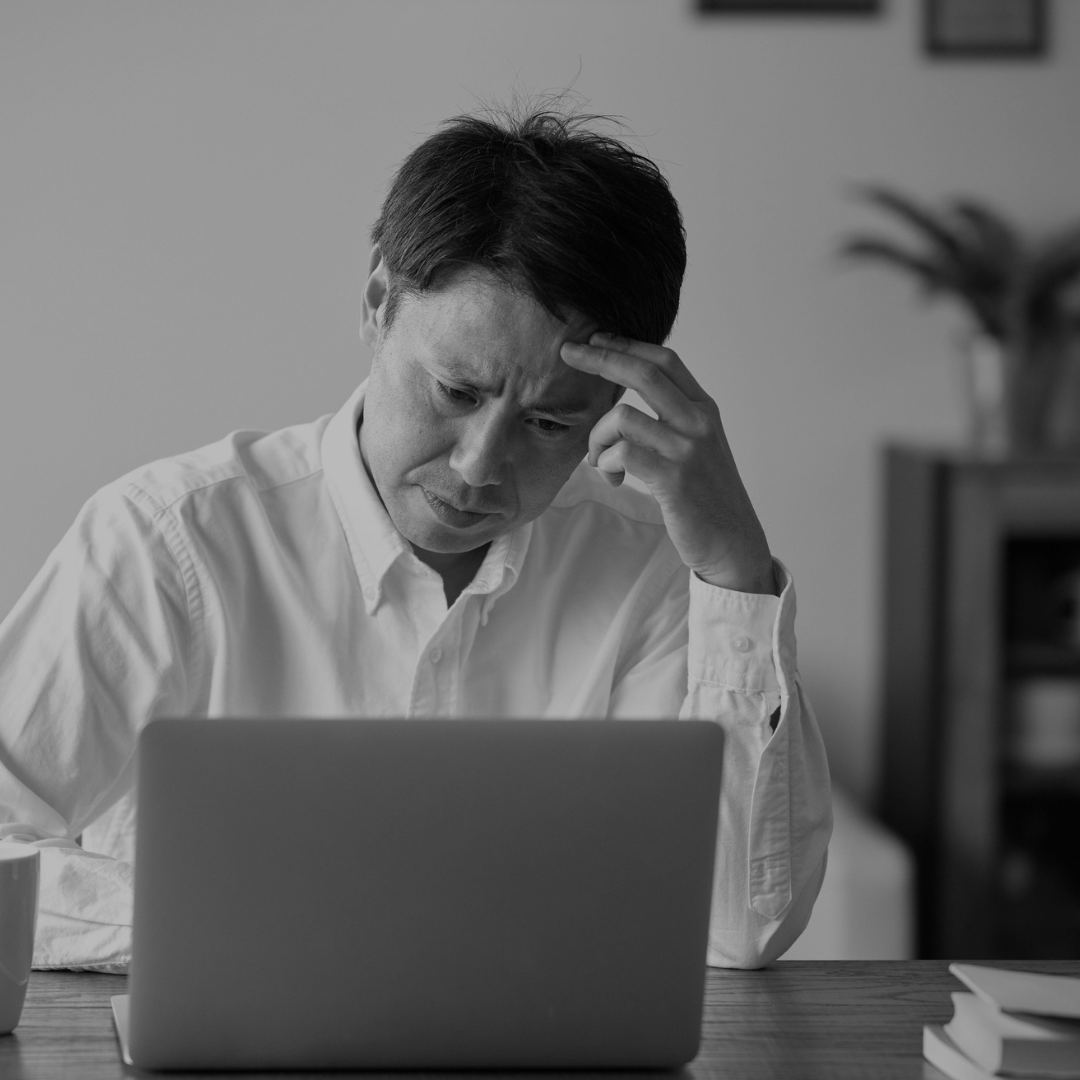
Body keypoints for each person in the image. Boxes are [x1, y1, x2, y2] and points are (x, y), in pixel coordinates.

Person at [0, 105, 831, 973]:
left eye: (548, 423)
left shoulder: (652, 565)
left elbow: (740, 928)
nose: (479, 467)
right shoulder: (169, 539)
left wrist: (735, 568)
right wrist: (277, 927)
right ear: (377, 303)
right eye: (456, 392)